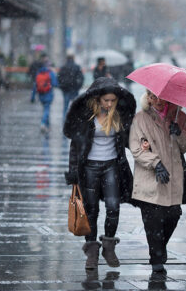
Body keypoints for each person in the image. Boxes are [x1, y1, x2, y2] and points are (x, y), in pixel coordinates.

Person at [63, 77, 136, 270]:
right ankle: (92, 251)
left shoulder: (119, 116)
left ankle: (109, 246)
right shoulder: (86, 117)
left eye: (113, 100)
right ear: (97, 99)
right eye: (106, 100)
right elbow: (75, 147)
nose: (110, 104)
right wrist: (73, 173)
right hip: (89, 168)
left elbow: (129, 141)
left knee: (113, 207)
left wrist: (144, 144)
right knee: (91, 210)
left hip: (112, 166)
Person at [129, 89, 186, 278]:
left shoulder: (179, 116)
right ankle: (157, 260)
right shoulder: (140, 118)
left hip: (173, 178)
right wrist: (156, 163)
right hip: (149, 178)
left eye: (160, 97)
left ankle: (159, 249)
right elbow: (137, 148)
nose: (157, 100)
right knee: (152, 220)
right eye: (152, 96)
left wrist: (180, 134)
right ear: (148, 97)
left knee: (173, 215)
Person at [31, 59, 58, 134]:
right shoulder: (50, 73)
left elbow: (35, 86)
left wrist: (32, 97)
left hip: (41, 95)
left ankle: (47, 126)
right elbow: (55, 83)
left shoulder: (39, 73)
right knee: (47, 110)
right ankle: (43, 123)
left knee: (46, 110)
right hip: (48, 94)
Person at [58, 54, 84, 119]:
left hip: (66, 89)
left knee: (65, 107)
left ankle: (64, 122)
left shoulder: (63, 67)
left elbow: (59, 78)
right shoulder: (77, 67)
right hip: (74, 89)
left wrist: (62, 87)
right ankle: (75, 121)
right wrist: (78, 87)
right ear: (73, 58)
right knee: (75, 107)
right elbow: (81, 78)